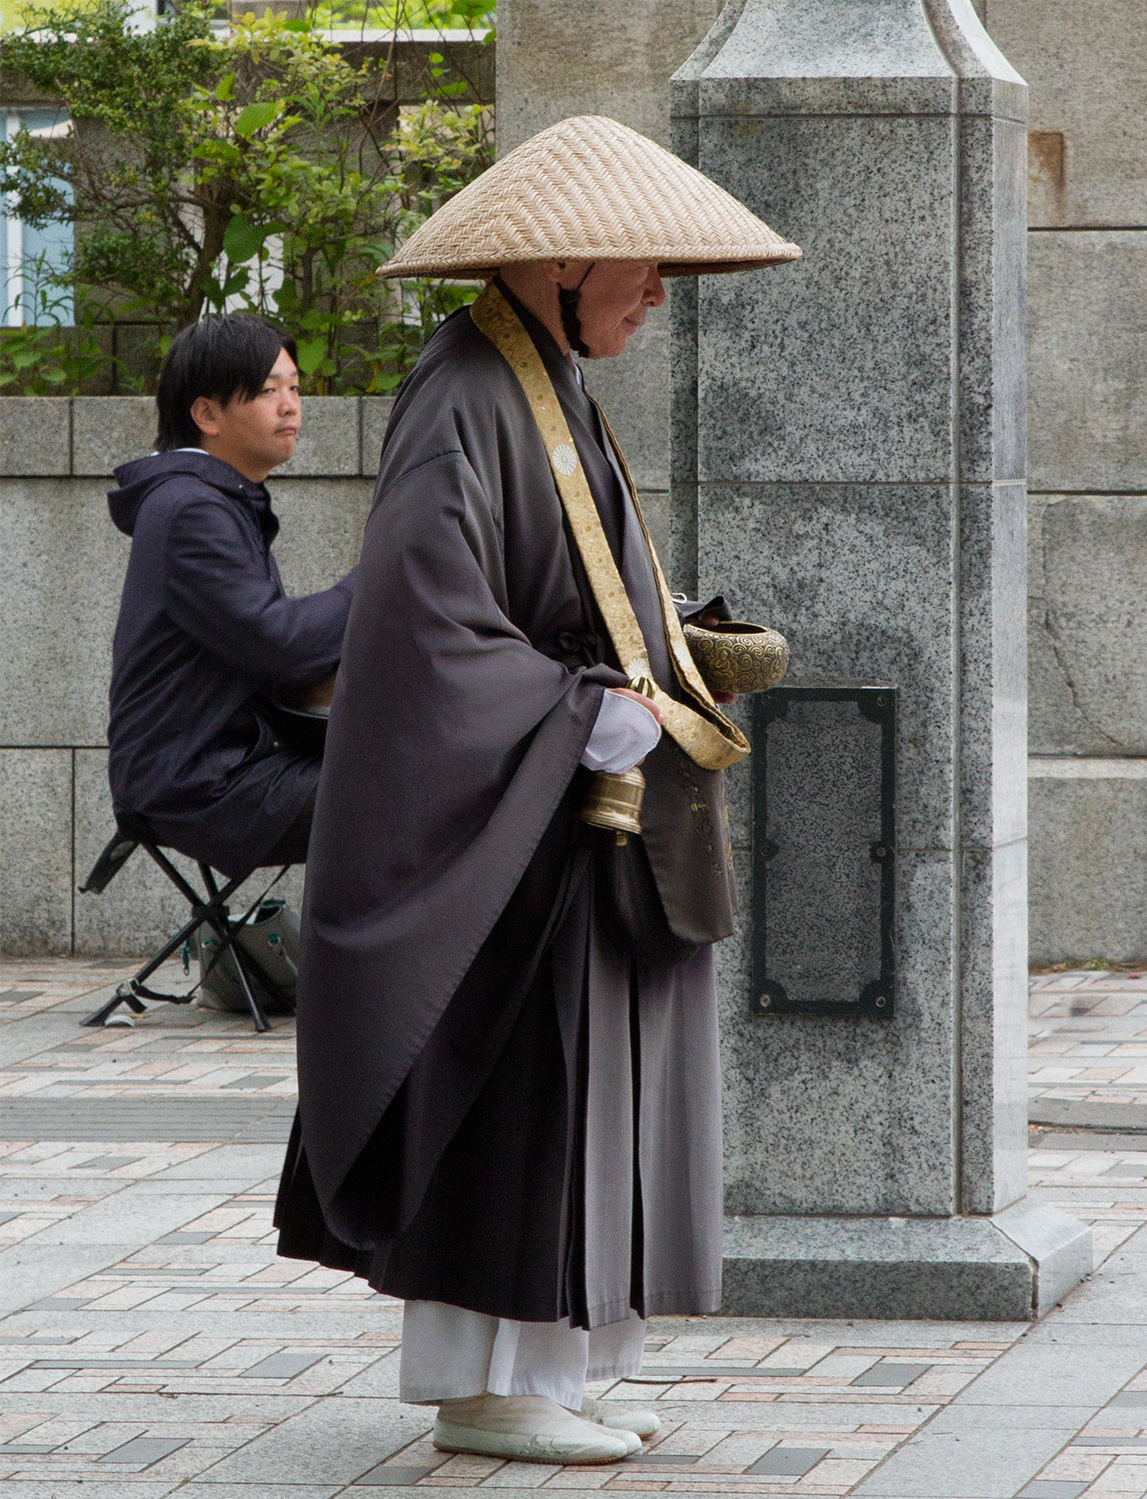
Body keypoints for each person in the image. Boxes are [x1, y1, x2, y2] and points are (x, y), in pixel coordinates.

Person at [274, 115, 800, 1464]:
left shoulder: (543, 378)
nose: (656, 290)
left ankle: (548, 1364)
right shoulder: (466, 392)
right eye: (639, 262)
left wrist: (676, 646)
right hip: (507, 819)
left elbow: (572, 593)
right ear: (559, 258)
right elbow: (428, 628)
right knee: (525, 1088)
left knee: (581, 1094)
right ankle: (489, 1380)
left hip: (564, 810)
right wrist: (586, 710)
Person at [106, 314, 354, 883]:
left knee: (418, 775)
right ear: (207, 414)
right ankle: (361, 969)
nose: (290, 405)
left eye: (294, 387)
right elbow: (279, 644)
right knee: (418, 792)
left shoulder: (213, 499)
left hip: (228, 764)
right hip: (199, 783)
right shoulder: (191, 509)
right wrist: (373, 585)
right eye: (268, 391)